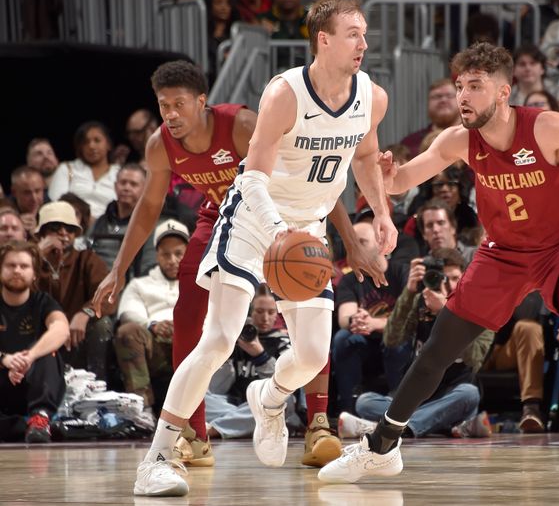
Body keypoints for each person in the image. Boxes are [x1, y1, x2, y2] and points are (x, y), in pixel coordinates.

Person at [319, 42, 559, 491]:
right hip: (504, 253)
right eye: (459, 87)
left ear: (504, 92)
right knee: (437, 348)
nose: (463, 97)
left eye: (475, 86)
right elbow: (403, 180)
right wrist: (388, 173)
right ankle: (381, 447)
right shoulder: (458, 139)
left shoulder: (546, 127)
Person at [128, 0, 397, 497]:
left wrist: (381, 213)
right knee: (218, 340)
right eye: (353, 34)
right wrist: (278, 232)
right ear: (323, 40)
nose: (364, 42)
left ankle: (269, 398)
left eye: (364, 33)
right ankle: (158, 457)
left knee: (314, 352)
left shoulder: (372, 97)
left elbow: (364, 156)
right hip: (254, 220)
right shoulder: (285, 94)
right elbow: (250, 177)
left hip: (308, 227)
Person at [92, 59, 372, 472]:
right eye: (163, 105)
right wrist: (118, 268)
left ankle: (317, 423)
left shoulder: (241, 125)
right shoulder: (159, 146)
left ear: (202, 102)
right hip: (225, 218)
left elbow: (313, 182)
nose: (170, 114)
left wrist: (350, 241)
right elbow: (149, 207)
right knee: (192, 312)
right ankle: (192, 433)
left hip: (286, 217)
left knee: (311, 323)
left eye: (179, 104)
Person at [338, 247, 494, 439]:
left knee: (470, 394)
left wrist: (446, 313)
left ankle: (389, 428)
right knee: (365, 402)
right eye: (443, 278)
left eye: (455, 278)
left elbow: (475, 358)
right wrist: (409, 291)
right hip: (418, 394)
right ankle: (430, 425)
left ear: (465, 277)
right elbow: (392, 339)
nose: (450, 285)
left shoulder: (480, 309)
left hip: (452, 395)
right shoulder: (422, 301)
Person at [114, 220, 189, 416]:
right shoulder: (140, 285)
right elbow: (127, 312)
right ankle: (143, 408)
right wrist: (152, 325)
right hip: (154, 346)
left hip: (192, 345)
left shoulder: (201, 283)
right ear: (157, 255)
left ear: (188, 253)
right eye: (166, 254)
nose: (172, 260)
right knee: (127, 331)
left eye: (178, 254)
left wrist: (186, 327)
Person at [332, 221, 409, 414]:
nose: (355, 248)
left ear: (380, 243)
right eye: (352, 244)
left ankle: (399, 404)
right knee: (343, 338)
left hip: (394, 341)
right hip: (365, 343)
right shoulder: (350, 280)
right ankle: (348, 409)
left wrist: (374, 323)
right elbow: (345, 317)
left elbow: (409, 318)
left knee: (396, 338)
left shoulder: (400, 272)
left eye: (362, 242)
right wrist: (356, 321)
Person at [204, 288, 299, 439]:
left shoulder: (283, 342)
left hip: (266, 403)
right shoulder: (235, 339)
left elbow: (285, 384)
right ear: (249, 312)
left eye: (271, 312)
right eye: (260, 311)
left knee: (283, 400)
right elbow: (217, 389)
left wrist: (260, 355)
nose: (265, 318)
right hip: (236, 405)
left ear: (277, 315)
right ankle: (247, 424)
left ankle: (215, 428)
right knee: (200, 397)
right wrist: (226, 350)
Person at [35, 202, 114, 379]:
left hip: (77, 336)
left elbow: (108, 295)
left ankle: (96, 385)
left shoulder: (87, 259)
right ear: (41, 232)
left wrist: (85, 312)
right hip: (38, 333)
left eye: (69, 228)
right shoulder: (27, 260)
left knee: (102, 324)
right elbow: (12, 288)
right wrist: (37, 254)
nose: (63, 233)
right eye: (55, 227)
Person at [0, 240, 69, 443]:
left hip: (32, 382)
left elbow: (61, 329)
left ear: (34, 274)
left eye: (24, 266)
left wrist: (28, 357)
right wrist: (5, 359)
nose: (17, 271)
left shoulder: (43, 302)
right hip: (3, 380)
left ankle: (40, 417)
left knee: (50, 352)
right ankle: (25, 427)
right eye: (11, 265)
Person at [48, 121, 121, 221]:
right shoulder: (67, 169)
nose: (91, 146)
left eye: (97, 140)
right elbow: (56, 204)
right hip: (73, 228)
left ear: (108, 144)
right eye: (86, 142)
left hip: (111, 229)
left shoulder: (120, 173)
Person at [90, 164, 152, 277]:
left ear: (145, 189)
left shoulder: (150, 224)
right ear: (115, 186)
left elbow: (148, 268)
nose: (126, 188)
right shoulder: (100, 222)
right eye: (123, 183)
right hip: (95, 284)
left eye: (133, 184)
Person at [400, 79, 460, 158]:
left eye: (449, 96)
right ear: (428, 103)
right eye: (437, 96)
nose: (443, 100)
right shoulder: (410, 144)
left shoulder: (475, 138)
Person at [509, 44, 559, 110]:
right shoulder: (507, 98)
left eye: (533, 63)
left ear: (542, 68)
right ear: (513, 70)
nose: (528, 68)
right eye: (522, 64)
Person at [9, 166, 47, 236]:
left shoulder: (52, 210)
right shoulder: (4, 213)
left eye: (37, 191)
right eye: (27, 193)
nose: (34, 198)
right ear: (14, 192)